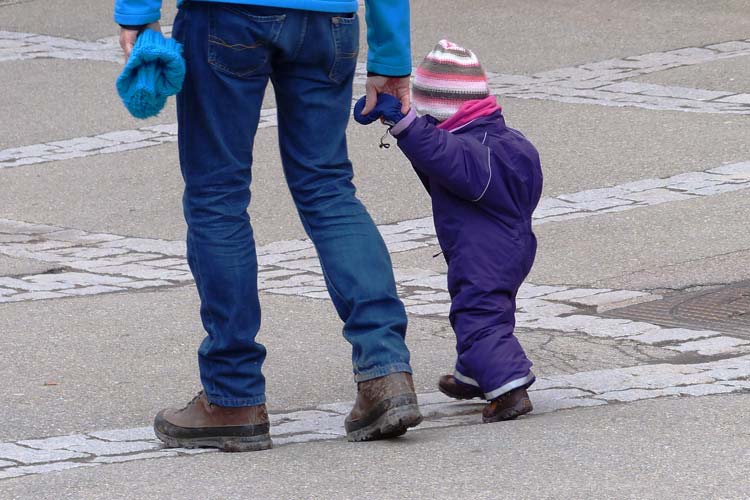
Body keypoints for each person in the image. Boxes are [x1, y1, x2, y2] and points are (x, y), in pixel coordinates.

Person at [114, 0, 423, 451]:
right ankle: (386, 371)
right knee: (328, 187)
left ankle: (232, 396)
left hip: (225, 15)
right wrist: (391, 56)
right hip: (328, 20)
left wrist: (138, 14)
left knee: (216, 194)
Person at [354, 40, 542, 423]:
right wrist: (408, 127)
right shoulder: (505, 141)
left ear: (440, 110)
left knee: (478, 314)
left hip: (483, 250)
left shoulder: (472, 153)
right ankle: (474, 373)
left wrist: (404, 122)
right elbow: (435, 155)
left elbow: (439, 153)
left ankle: (508, 386)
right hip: (509, 243)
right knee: (486, 309)